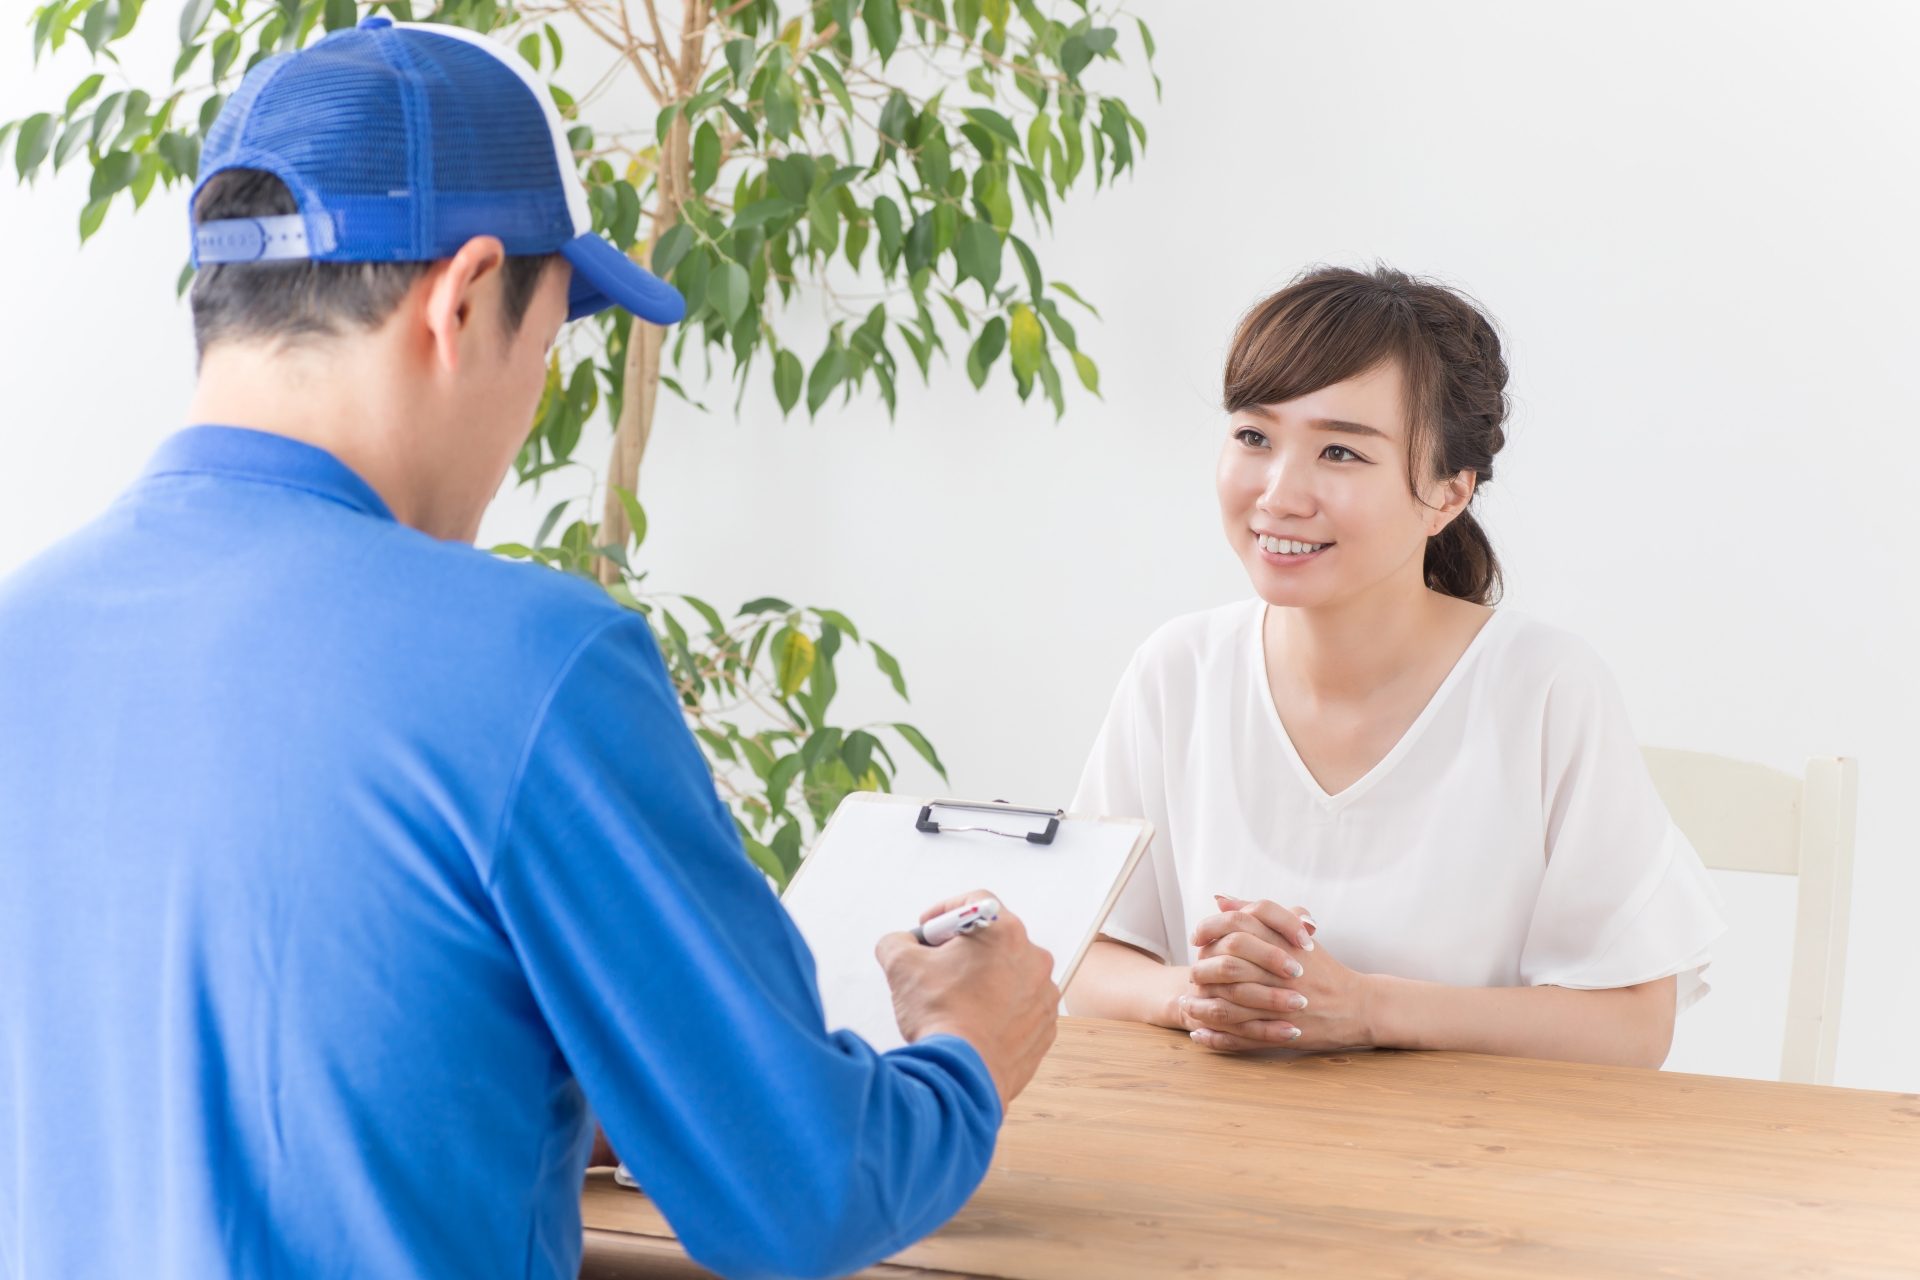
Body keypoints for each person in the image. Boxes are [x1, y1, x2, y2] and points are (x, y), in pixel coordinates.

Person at [0, 20, 1057, 1280]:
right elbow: (804, 1190)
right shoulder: (530, 659)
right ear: (462, 298)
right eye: (549, 344)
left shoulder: (25, 628)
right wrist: (968, 1052)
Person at [1064, 266, 1724, 1068]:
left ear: (1447, 494)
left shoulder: (1544, 689)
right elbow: (1079, 962)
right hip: (1213, 1161)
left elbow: (1631, 1028)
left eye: (1340, 451)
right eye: (1253, 437)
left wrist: (1365, 1008)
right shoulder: (1179, 670)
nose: (1278, 494)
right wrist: (1199, 994)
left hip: (1465, 1165)